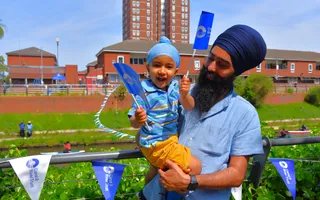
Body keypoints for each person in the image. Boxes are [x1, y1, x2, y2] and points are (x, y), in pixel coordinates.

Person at [138, 24, 266, 200]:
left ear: (236, 72)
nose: (211, 67)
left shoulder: (245, 114)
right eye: (210, 58)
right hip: (155, 193)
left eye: (222, 64)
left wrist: (190, 181)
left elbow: (236, 175)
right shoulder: (179, 94)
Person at [128, 36, 202, 184]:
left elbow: (189, 106)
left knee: (155, 170)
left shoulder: (175, 87)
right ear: (147, 67)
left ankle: (145, 195)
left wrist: (185, 94)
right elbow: (133, 122)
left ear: (176, 71)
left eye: (168, 67)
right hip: (157, 144)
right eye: (157, 65)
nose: (162, 71)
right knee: (196, 166)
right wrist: (138, 118)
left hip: (169, 140)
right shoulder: (143, 91)